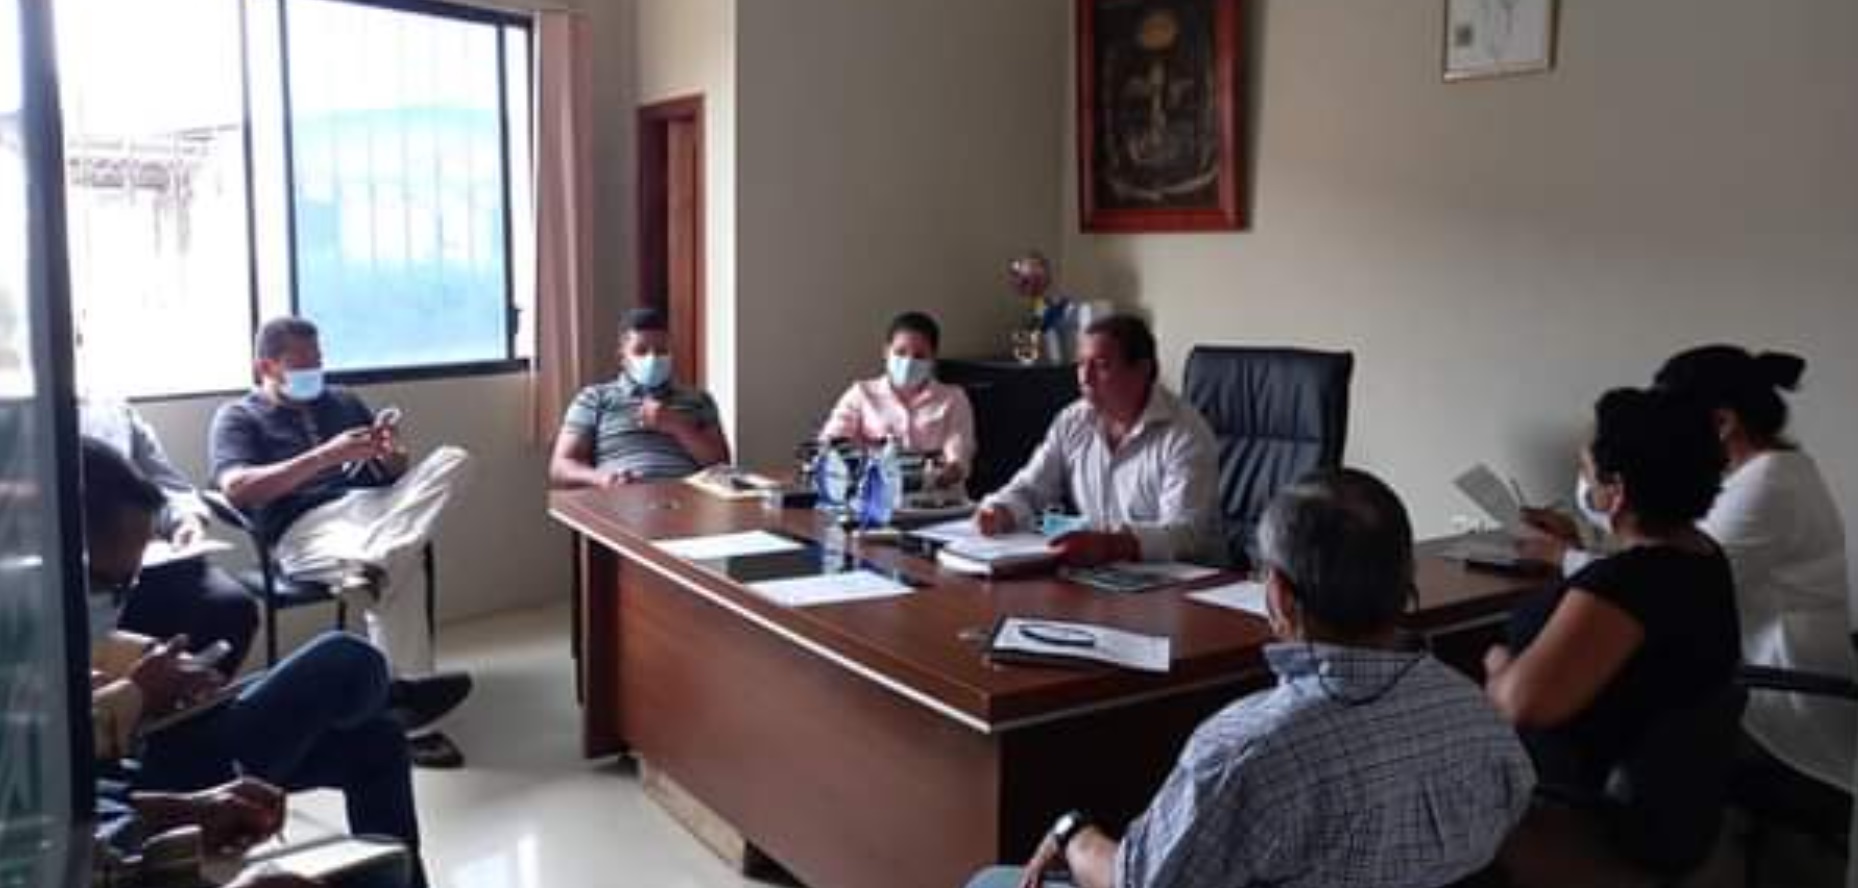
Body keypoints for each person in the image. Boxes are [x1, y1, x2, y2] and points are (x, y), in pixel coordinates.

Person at [967, 469, 1535, 888]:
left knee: (992, 881)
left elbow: (1138, 883)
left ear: (1278, 595)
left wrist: (1073, 833)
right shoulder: (1482, 719)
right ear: (1406, 579)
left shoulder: (1245, 750)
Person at [1519, 347, 1855, 816]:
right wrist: (1582, 540)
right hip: (1750, 668)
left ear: (1722, 423)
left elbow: (1660, 580)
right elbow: (1658, 555)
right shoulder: (1771, 471)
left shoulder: (1768, 485)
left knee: (1583, 707)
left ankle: (1598, 830)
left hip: (1777, 693)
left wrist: (1565, 556)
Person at [81, 437, 428, 887]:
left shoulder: (38, 623)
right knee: (345, 658)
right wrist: (137, 695)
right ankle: (396, 694)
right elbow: (77, 801)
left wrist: (146, 666)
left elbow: (87, 663)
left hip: (142, 761)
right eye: (108, 585)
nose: (117, 602)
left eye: (128, 586)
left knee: (378, 741)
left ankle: (391, 700)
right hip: (142, 763)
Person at [208, 317, 472, 768]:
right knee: (403, 576)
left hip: (373, 511)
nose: (314, 372)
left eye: (319, 361)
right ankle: (413, 722)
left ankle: (372, 571)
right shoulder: (238, 417)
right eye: (301, 364)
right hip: (305, 526)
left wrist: (390, 454)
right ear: (266, 366)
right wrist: (325, 456)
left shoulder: (344, 400)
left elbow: (394, 474)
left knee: (454, 460)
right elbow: (237, 490)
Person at [1484, 389, 1741, 848]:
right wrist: (1577, 546)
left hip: (1580, 814)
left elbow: (1519, 704)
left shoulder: (1625, 586)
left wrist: (1497, 661)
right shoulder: (1701, 556)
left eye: (1585, 472)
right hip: (1671, 805)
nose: (1582, 484)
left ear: (1617, 490)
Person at [974, 315, 1221, 566]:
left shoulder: (1185, 434)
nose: (1085, 377)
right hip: (1104, 572)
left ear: (1142, 370)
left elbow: (1186, 536)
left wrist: (1112, 546)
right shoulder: (1073, 420)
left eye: (1101, 365)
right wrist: (1000, 510)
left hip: (1186, 578)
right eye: (1081, 364)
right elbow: (1031, 488)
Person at [81, 394, 260, 671]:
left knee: (230, 605)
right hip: (94, 564)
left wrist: (187, 519)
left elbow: (167, 485)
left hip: (146, 557)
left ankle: (193, 692)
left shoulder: (112, 409)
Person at [549, 307, 731, 489]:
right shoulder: (594, 398)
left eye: (661, 351)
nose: (652, 358)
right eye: (641, 351)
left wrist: (678, 426)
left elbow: (721, 464)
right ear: (623, 357)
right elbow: (560, 467)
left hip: (687, 496)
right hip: (621, 495)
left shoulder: (699, 400)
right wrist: (600, 478)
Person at [818, 310, 975, 488]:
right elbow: (832, 440)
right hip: (873, 493)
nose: (908, 362)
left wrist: (938, 476)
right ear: (886, 352)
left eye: (919, 356)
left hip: (936, 495)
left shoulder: (954, 398)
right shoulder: (861, 393)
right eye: (900, 352)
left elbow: (959, 454)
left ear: (933, 358)